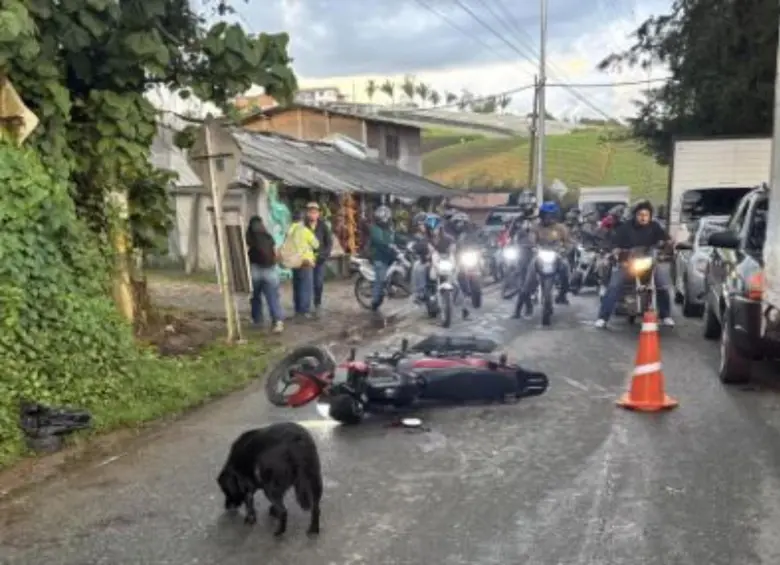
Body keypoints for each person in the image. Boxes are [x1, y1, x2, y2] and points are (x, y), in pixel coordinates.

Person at [594, 199, 675, 329]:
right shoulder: (625, 228)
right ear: (635, 215)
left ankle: (665, 315)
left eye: (646, 215)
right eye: (640, 215)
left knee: (662, 284)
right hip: (628, 263)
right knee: (614, 285)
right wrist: (616, 250)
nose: (643, 218)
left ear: (650, 216)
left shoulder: (655, 227)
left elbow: (666, 239)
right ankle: (603, 318)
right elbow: (615, 242)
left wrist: (668, 245)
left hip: (649, 263)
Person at [513, 201, 572, 318]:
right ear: (542, 215)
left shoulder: (561, 228)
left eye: (552, 215)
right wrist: (533, 246)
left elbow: (568, 243)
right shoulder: (536, 227)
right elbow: (531, 239)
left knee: (566, 268)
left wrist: (564, 250)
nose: (549, 218)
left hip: (556, 255)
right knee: (527, 284)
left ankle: (563, 293)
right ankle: (517, 311)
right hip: (540, 255)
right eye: (546, 215)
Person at [246, 216, 284, 332]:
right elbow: (276, 254)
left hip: (254, 270)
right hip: (270, 270)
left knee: (255, 297)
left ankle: (257, 320)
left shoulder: (249, 237)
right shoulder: (269, 237)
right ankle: (277, 321)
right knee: (273, 297)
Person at [286, 211, 319, 318]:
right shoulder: (305, 231)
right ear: (302, 220)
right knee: (306, 287)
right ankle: (304, 311)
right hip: (306, 262)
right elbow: (316, 244)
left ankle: (297, 309)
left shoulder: (289, 231)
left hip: (294, 262)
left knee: (297, 286)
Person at [304, 202, 333, 318]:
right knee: (307, 284)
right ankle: (305, 307)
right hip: (306, 260)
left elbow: (329, 242)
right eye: (310, 212)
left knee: (318, 283)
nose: (312, 214)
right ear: (307, 213)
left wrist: (324, 254)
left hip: (320, 260)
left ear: (318, 214)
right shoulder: (303, 226)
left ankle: (317, 303)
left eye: (314, 212)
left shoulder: (323, 226)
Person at [366, 205, 396, 314]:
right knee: (380, 281)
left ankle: (391, 287)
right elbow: (379, 242)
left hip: (389, 256)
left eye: (387, 216)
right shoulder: (375, 228)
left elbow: (395, 238)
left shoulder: (390, 228)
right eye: (384, 216)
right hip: (379, 257)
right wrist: (389, 246)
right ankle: (374, 301)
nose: (386, 218)